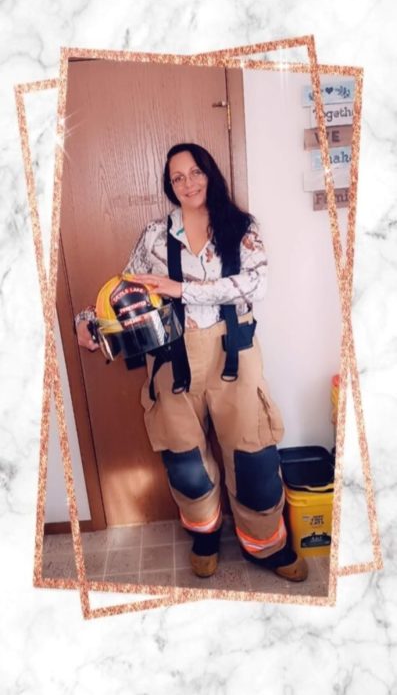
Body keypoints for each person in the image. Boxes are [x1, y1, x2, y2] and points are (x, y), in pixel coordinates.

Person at [76, 142, 308, 583]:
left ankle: (267, 545)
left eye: (195, 172)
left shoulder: (241, 226)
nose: (188, 183)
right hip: (170, 356)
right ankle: (205, 537)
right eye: (177, 177)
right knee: (185, 462)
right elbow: (127, 293)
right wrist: (87, 322)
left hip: (234, 354)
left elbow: (256, 285)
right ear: (169, 185)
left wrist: (183, 289)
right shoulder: (154, 236)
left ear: (210, 173)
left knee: (254, 457)